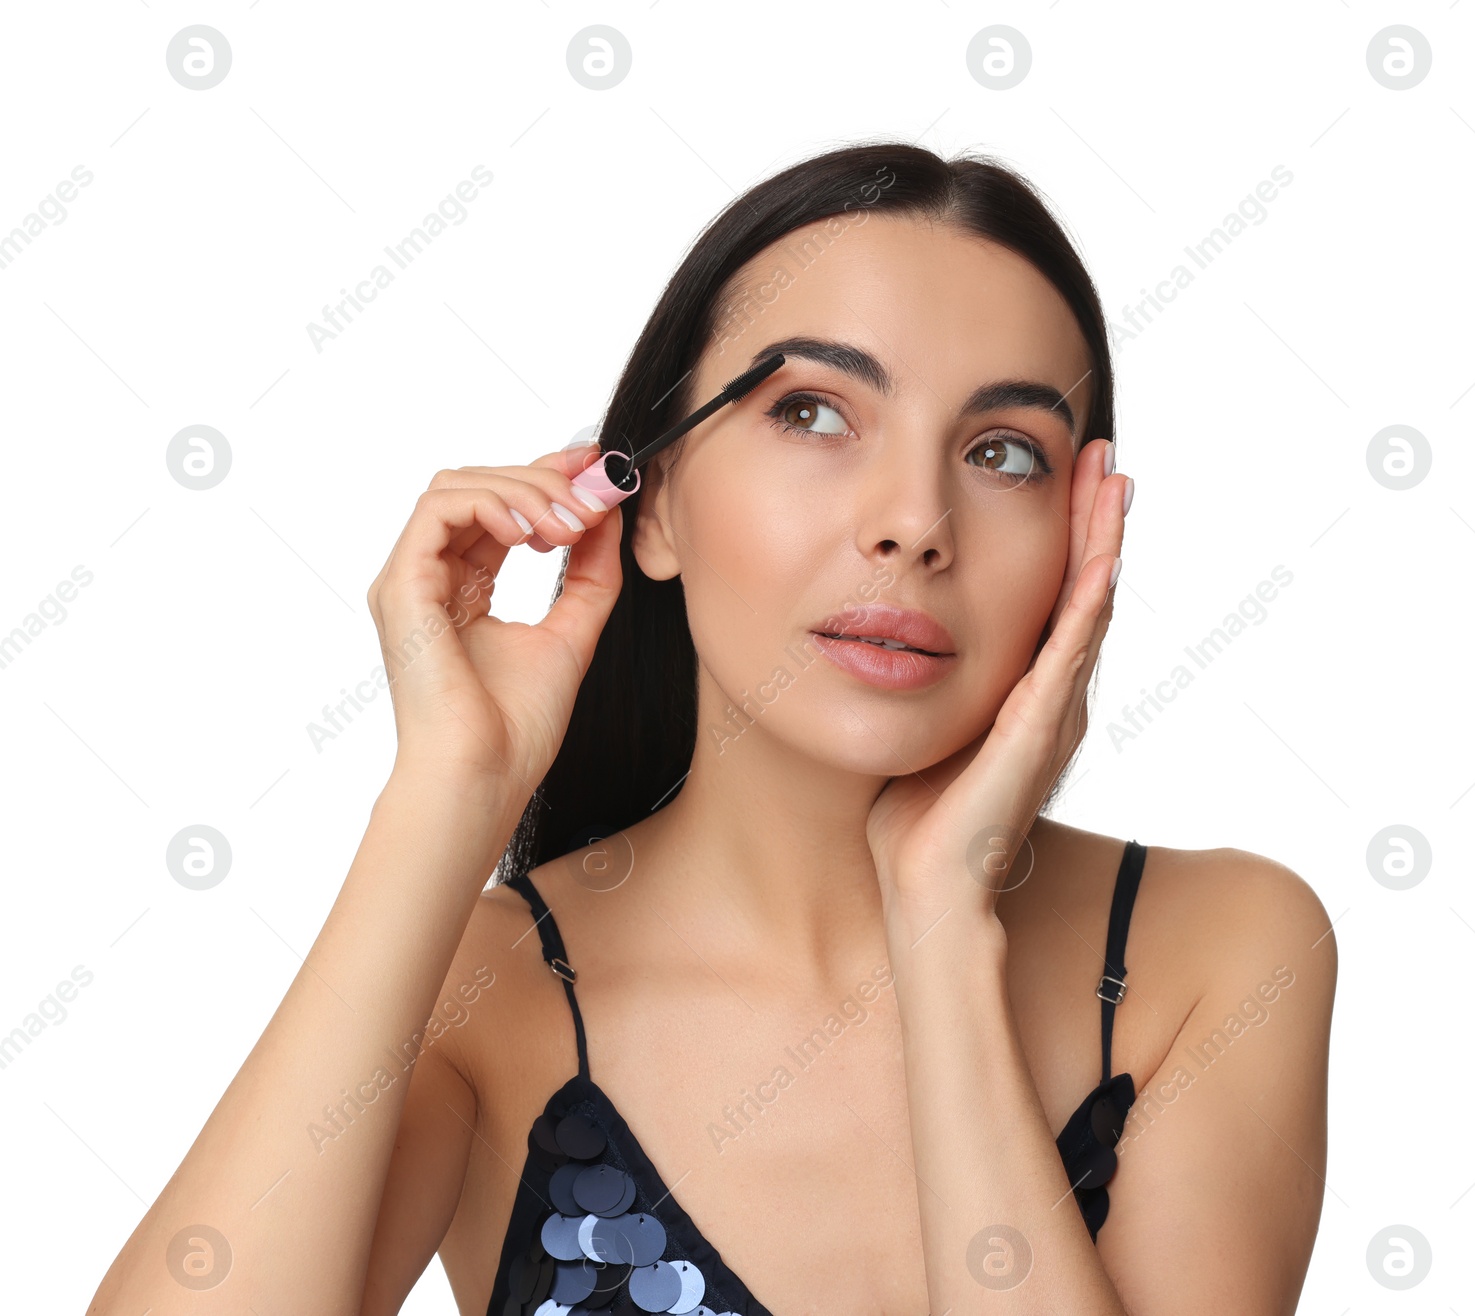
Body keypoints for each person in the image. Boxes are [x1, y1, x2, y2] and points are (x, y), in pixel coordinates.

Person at [89, 140, 1336, 1316]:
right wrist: (443, 793)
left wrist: (944, 927)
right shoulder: (488, 993)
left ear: (1083, 540)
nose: (914, 520)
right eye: (812, 413)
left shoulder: (1213, 955)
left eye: (1002, 452)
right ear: (654, 507)